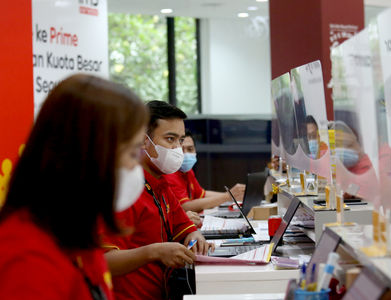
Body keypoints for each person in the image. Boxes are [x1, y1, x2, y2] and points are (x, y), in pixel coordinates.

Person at [0, 74, 148, 299]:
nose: (136, 167)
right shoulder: (29, 259)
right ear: (90, 153)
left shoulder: (73, 230)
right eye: (131, 153)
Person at [102, 100, 213, 300]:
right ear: (143, 140)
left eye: (180, 140)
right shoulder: (121, 190)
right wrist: (154, 252)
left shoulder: (160, 182)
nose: (177, 148)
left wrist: (196, 238)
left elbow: (187, 227)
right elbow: (104, 261)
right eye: (170, 139)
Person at [165, 130, 246, 213]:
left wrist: (234, 195)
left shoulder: (187, 171)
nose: (186, 154)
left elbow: (202, 194)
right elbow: (185, 206)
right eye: (181, 150)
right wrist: (227, 196)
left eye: (190, 149)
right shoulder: (170, 173)